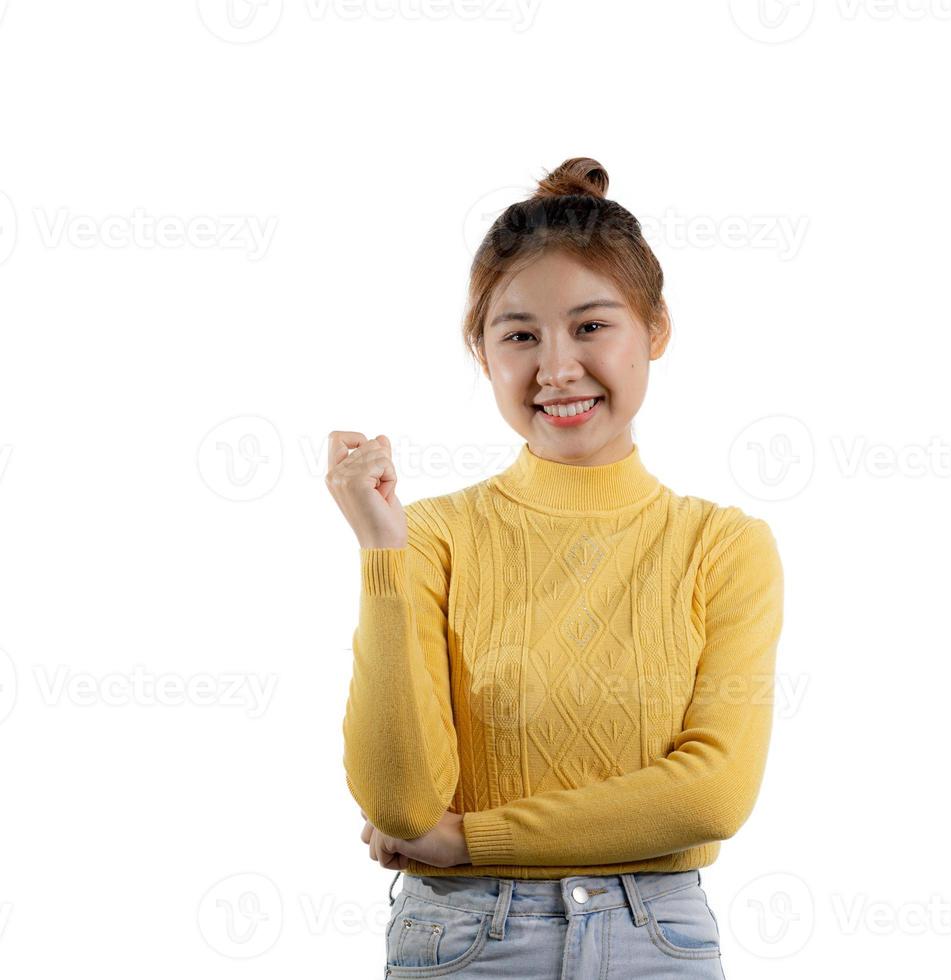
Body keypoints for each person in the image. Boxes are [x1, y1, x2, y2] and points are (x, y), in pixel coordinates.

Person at [326, 156, 784, 978]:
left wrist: (471, 839)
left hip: (657, 939)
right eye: (520, 336)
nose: (557, 368)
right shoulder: (429, 537)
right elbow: (397, 803)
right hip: (467, 940)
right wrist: (380, 554)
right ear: (482, 351)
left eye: (591, 326)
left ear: (656, 329)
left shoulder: (723, 546)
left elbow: (712, 794)